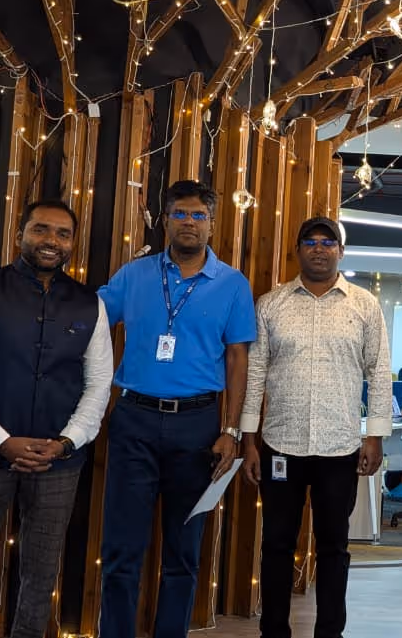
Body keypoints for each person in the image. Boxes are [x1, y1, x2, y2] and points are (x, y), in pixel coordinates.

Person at [0, 199, 114, 638]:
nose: (51, 241)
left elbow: (99, 386)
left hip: (59, 462)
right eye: (41, 230)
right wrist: (2, 440)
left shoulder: (91, 304)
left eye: (62, 233)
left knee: (41, 574)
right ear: (20, 234)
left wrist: (67, 443)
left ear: (72, 243)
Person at [98, 180, 257, 638]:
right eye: (181, 214)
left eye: (199, 215)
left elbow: (238, 359)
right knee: (121, 548)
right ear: (166, 220)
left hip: (199, 427)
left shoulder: (232, 285)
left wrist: (231, 428)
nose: (190, 223)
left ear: (212, 223)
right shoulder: (134, 275)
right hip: (134, 420)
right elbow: (91, 325)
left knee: (184, 550)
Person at [240, 216, 391, 638]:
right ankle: (274, 631)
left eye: (328, 242)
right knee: (276, 546)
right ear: (298, 250)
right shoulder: (271, 304)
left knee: (333, 548)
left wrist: (374, 435)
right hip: (279, 445)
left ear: (341, 252)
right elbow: (254, 374)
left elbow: (379, 372)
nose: (320, 249)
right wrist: (249, 441)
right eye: (311, 241)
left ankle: (330, 632)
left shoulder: (363, 304)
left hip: (339, 448)